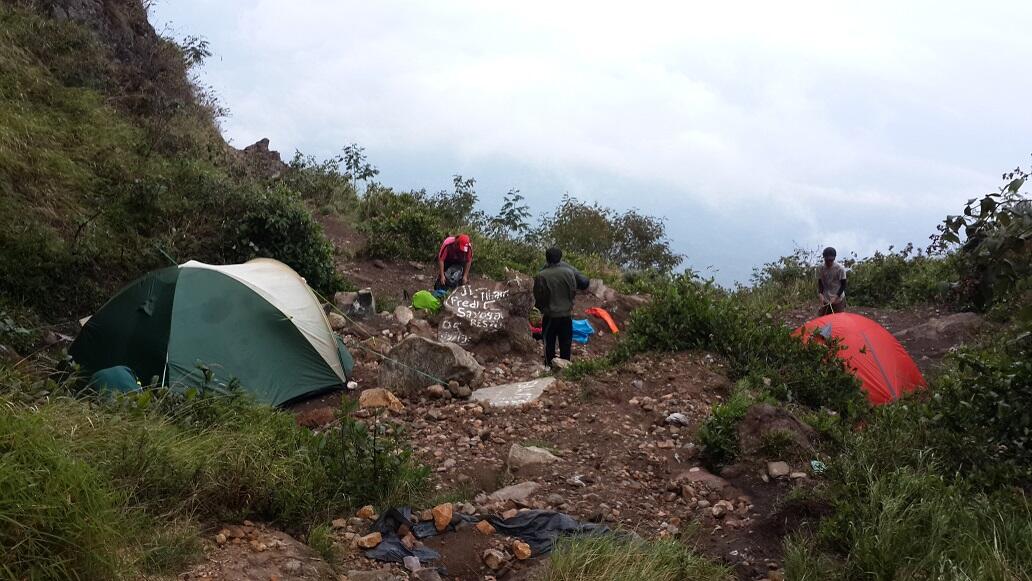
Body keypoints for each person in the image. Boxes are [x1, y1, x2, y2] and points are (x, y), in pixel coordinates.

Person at [533, 247, 588, 365]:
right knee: (566, 342)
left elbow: (538, 295)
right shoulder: (569, 272)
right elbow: (573, 291)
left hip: (550, 315)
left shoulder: (541, 275)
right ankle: (565, 366)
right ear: (560, 258)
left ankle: (549, 366)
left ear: (547, 258)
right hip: (566, 314)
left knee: (549, 342)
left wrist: (542, 308)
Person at [817, 246, 847, 315]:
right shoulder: (820, 268)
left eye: (831, 260)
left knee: (838, 319)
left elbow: (843, 285)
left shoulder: (840, 269)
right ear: (824, 258)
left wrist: (836, 296)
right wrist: (820, 294)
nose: (829, 262)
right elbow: (820, 282)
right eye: (827, 260)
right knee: (824, 318)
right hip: (826, 298)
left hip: (838, 299)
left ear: (834, 258)